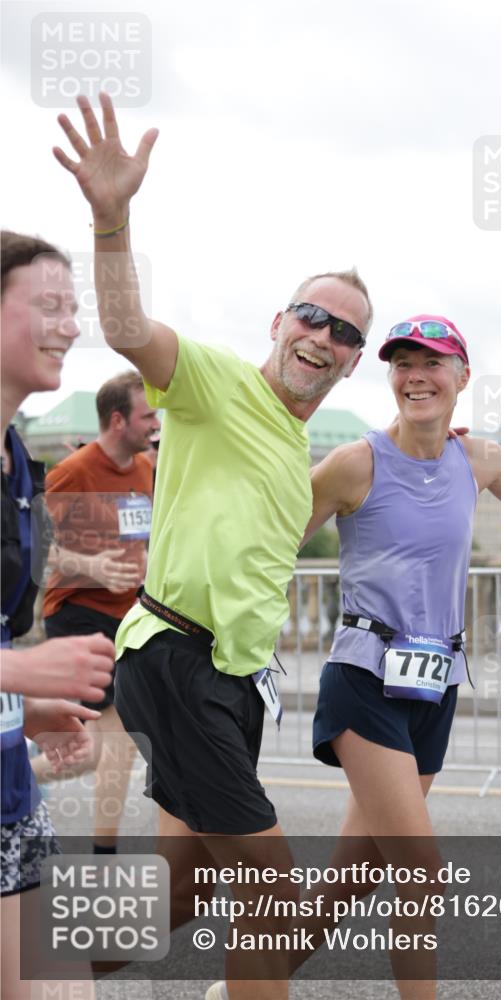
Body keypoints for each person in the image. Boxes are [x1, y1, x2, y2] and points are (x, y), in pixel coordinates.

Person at [53, 93, 372, 1000]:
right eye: (311, 317)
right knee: (268, 886)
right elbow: (127, 331)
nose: (323, 337)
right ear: (280, 322)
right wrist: (112, 222)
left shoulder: (296, 451)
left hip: (237, 682)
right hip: (175, 657)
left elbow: (288, 538)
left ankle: (24, 968)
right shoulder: (214, 384)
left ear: (352, 361)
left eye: (345, 333)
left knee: (176, 896)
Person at [285, 315, 501, 999]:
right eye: (403, 362)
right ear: (389, 376)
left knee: (351, 877)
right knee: (419, 869)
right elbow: (272, 539)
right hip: (361, 677)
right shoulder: (356, 461)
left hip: (432, 685)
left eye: (432, 363)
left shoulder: (477, 458)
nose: (416, 376)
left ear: (461, 377)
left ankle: (248, 981)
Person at [1, 230, 117, 999]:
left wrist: (27, 706)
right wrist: (17, 669)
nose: (72, 326)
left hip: (11, 791)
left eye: (74, 309)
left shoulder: (16, 452)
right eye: (49, 306)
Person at [31, 371, 159, 854]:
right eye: (147, 415)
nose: (155, 424)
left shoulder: (146, 469)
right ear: (118, 419)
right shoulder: (74, 472)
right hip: (77, 613)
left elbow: (141, 537)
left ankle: (16, 773)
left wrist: (146, 566)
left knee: (96, 752)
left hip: (128, 618)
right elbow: (35, 548)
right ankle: (104, 858)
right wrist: (91, 567)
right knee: (119, 741)